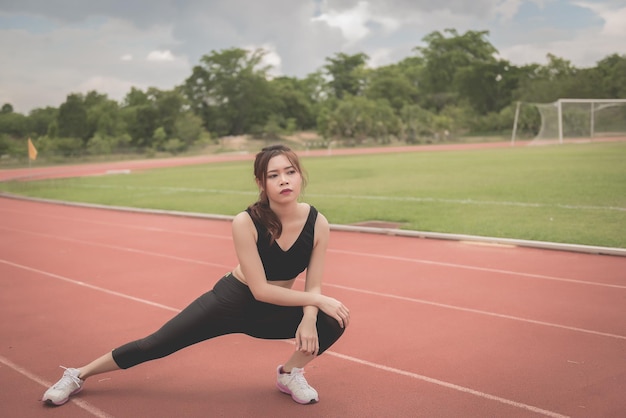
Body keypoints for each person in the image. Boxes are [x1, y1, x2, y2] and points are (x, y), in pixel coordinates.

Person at [42, 144, 350, 406]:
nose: (284, 180)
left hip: (277, 307)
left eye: (290, 172)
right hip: (232, 301)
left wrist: (310, 317)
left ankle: (289, 373)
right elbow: (260, 290)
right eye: (273, 175)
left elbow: (314, 284)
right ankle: (76, 374)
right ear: (261, 182)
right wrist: (316, 300)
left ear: (300, 175)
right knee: (155, 344)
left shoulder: (317, 223)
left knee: (332, 319)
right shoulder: (245, 222)